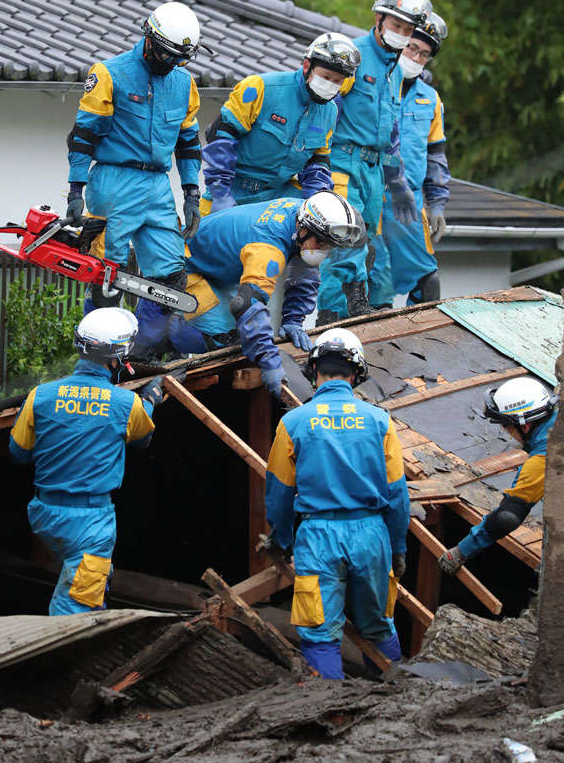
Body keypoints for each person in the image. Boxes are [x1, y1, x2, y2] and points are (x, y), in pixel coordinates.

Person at [264, 328, 410, 678]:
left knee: (318, 630)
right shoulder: (380, 422)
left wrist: (282, 540)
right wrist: (397, 547)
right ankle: (399, 703)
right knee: (379, 625)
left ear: (314, 371)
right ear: (356, 373)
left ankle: (330, 713)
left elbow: (280, 492)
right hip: (372, 534)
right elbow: (397, 495)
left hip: (318, 536)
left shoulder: (293, 422)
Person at [66, 1, 203, 349]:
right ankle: (96, 355)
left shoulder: (184, 84)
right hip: (114, 180)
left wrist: (191, 194)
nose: (173, 63)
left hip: (158, 186)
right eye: (168, 55)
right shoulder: (110, 73)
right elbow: (84, 135)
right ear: (150, 38)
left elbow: (188, 144)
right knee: (106, 277)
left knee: (170, 280)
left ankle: (141, 352)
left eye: (180, 58)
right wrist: (75, 190)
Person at [132, 192, 362, 397]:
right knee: (224, 337)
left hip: (217, 268)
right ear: (303, 229)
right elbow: (246, 305)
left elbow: (304, 273)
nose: (322, 250)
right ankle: (162, 338)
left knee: (244, 333)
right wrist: (269, 363)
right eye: (321, 243)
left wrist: (293, 320)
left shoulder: (303, 212)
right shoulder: (268, 246)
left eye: (328, 246)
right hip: (185, 267)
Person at [9, 308, 163, 615]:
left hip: (42, 515)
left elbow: (18, 453)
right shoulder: (127, 404)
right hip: (89, 523)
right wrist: (151, 399)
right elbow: (141, 442)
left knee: (80, 578)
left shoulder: (40, 395)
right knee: (75, 609)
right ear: (117, 358)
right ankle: (55, 657)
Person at [316, 0, 429, 324]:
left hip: (375, 169)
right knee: (344, 235)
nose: (402, 36)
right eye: (397, 27)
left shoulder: (395, 71)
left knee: (366, 241)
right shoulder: (353, 56)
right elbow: (326, 111)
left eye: (408, 31)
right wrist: (316, 165)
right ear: (379, 19)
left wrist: (397, 182)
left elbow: (392, 134)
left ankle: (349, 311)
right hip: (343, 162)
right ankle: (334, 314)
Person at [200, 33, 361, 214]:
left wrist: (318, 205)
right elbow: (221, 139)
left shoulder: (330, 112)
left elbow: (317, 165)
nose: (330, 84)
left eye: (337, 81)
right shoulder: (259, 88)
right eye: (326, 76)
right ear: (307, 66)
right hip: (229, 193)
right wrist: (221, 193)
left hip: (276, 201)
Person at [368, 12, 450, 308]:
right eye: (412, 48)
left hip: (410, 203)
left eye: (424, 54)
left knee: (428, 280)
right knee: (374, 280)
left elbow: (436, 155)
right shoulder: (370, 85)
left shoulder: (431, 99)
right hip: (371, 194)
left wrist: (438, 203)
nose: (416, 57)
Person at [438, 378, 558, 575]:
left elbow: (506, 518)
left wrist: (461, 551)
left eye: (506, 426)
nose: (506, 432)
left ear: (525, 426)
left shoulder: (545, 457)